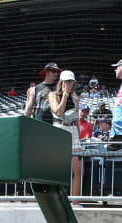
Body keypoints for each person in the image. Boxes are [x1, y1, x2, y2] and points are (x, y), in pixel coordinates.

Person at [48, 70, 82, 202]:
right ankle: (56, 200)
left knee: (78, 170)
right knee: (57, 169)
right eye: (67, 82)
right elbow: (58, 111)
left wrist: (79, 137)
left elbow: (77, 119)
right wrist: (65, 95)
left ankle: (75, 202)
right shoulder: (52, 95)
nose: (69, 84)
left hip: (73, 131)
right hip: (59, 129)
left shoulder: (75, 97)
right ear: (61, 82)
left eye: (71, 82)